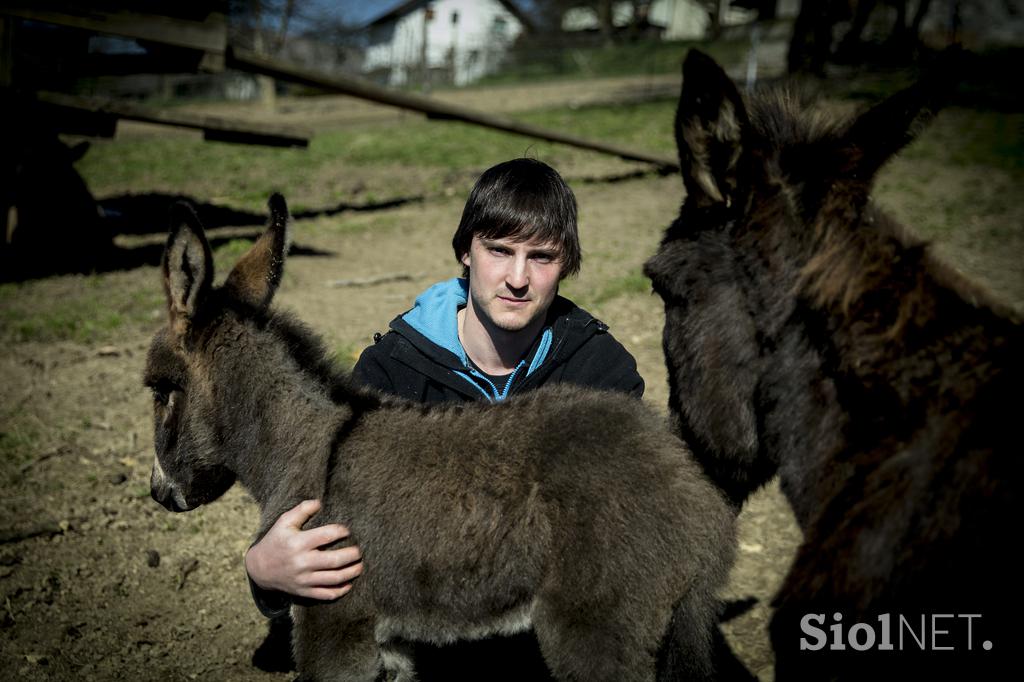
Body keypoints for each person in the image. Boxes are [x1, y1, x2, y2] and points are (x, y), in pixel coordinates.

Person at [244, 157, 644, 680]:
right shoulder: (387, 374)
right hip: (425, 648)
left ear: (566, 263)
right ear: (465, 250)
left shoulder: (602, 373)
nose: (518, 278)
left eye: (541, 257)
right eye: (499, 250)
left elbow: (626, 535)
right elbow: (319, 519)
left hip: (551, 648)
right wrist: (263, 572)